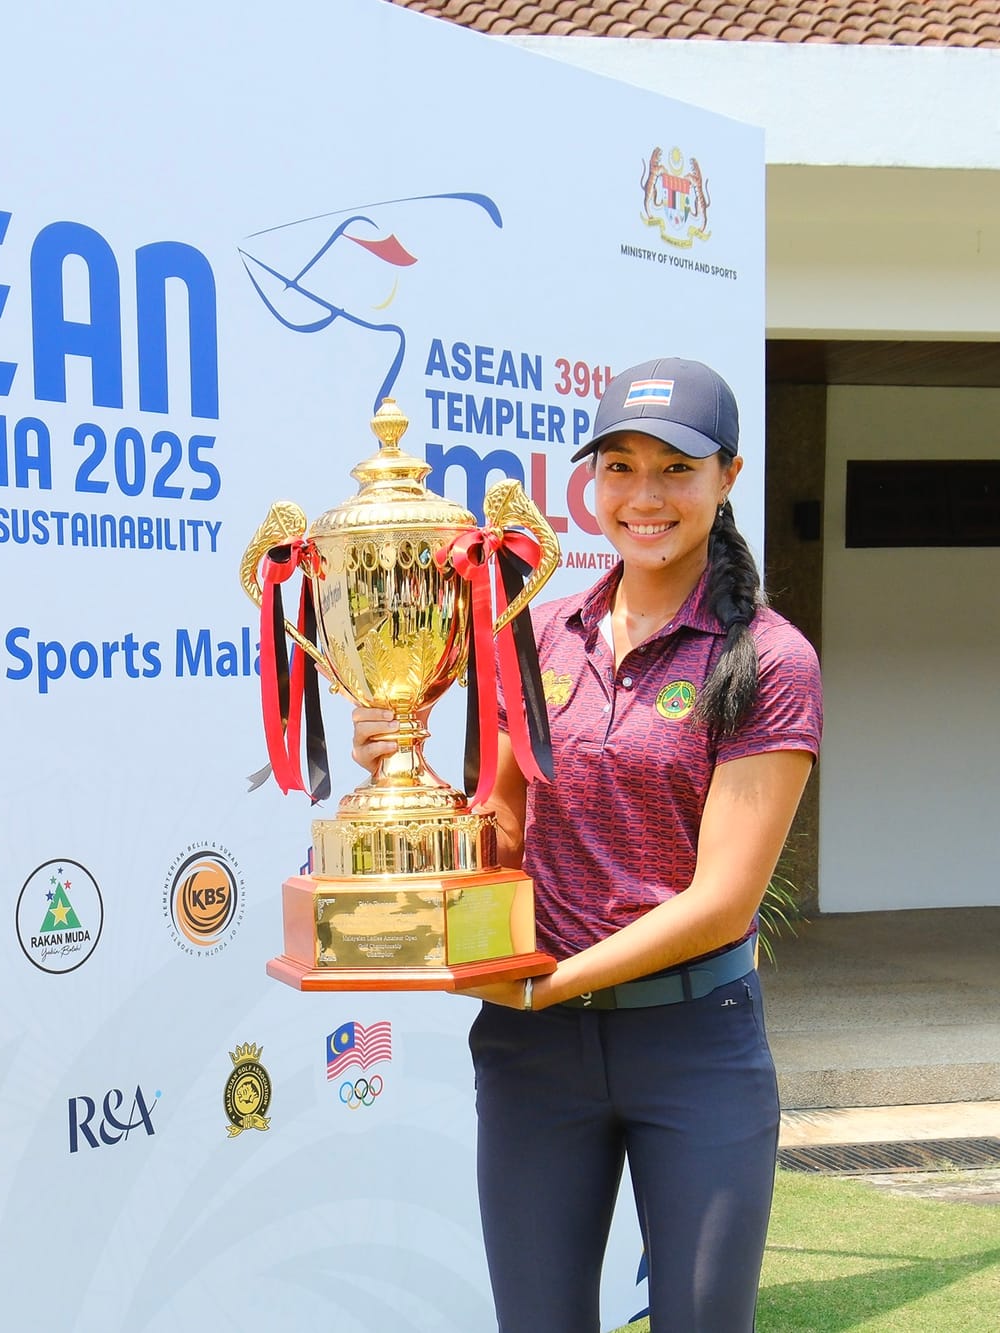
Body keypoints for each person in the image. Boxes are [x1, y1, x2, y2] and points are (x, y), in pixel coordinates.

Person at [351, 358, 821, 1332]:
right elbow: (504, 829)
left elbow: (722, 901)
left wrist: (553, 980)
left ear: (726, 477)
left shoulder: (767, 657)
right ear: (589, 480)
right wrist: (402, 765)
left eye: (673, 470)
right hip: (533, 1053)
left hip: (690, 1043)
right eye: (617, 467)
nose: (641, 498)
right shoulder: (535, 629)